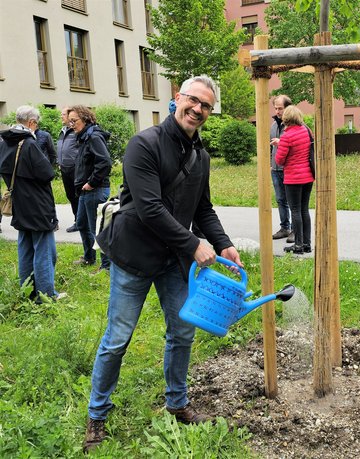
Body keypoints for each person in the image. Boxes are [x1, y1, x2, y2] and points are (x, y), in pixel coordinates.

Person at [83, 76, 243, 452]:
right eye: (194, 101)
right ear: (177, 99)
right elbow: (149, 208)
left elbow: (202, 208)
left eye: (206, 105)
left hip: (174, 260)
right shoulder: (144, 144)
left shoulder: (200, 156)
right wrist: (192, 244)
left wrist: (223, 244)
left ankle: (177, 403)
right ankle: (97, 415)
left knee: (182, 333)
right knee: (117, 339)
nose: (199, 109)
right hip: (134, 256)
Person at [0, 105, 60, 301]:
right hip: (38, 205)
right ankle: (46, 296)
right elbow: (48, 174)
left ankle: (27, 292)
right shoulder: (28, 143)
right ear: (32, 123)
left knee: (25, 247)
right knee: (44, 250)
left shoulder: (4, 142)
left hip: (19, 203)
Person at [67, 105, 112, 270]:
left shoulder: (94, 137)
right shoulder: (84, 137)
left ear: (85, 119)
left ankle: (106, 266)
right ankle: (89, 258)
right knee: (82, 224)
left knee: (96, 229)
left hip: (95, 189)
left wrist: (92, 183)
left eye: (74, 120)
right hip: (85, 191)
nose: (71, 124)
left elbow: (105, 162)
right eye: (69, 121)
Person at [275, 105, 314, 254]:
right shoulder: (305, 131)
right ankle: (306, 244)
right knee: (304, 210)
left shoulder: (287, 136)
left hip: (293, 178)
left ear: (286, 118)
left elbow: (279, 160)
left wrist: (279, 146)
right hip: (308, 177)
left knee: (295, 210)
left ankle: (297, 245)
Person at [270, 94, 294, 242]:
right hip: (276, 168)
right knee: (280, 199)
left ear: (288, 108)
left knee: (293, 201)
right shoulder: (274, 126)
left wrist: (282, 142)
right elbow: (270, 147)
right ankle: (285, 227)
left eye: (280, 108)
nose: (277, 111)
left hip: (289, 168)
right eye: (276, 108)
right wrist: (270, 164)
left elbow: (298, 146)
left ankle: (295, 230)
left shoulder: (293, 125)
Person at [57, 106, 80, 232]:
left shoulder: (76, 131)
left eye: (63, 114)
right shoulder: (62, 131)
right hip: (64, 169)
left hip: (75, 169)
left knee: (78, 195)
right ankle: (78, 219)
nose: (62, 116)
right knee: (70, 195)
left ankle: (80, 221)